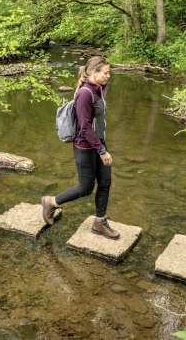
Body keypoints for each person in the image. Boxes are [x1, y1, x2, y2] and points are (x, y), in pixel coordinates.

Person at [41, 56, 120, 239]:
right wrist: (102, 151)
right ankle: (51, 201)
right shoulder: (85, 93)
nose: (109, 76)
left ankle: (100, 222)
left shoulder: (98, 89)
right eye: (106, 72)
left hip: (98, 142)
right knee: (85, 188)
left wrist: (101, 146)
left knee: (106, 182)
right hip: (85, 147)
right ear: (94, 72)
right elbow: (84, 128)